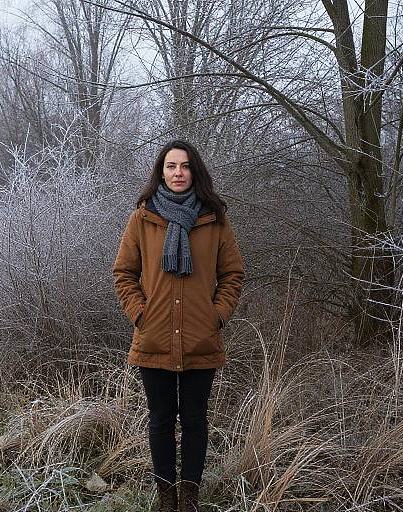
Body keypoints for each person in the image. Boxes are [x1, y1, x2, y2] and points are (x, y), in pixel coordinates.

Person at [113, 140, 244, 512]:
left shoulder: (214, 219)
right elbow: (124, 273)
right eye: (170, 166)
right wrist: (141, 314)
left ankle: (189, 497)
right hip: (153, 336)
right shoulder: (143, 218)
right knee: (160, 422)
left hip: (201, 338)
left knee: (195, 421)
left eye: (184, 166)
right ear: (161, 172)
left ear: (194, 171)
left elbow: (233, 274)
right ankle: (165, 498)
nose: (177, 173)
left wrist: (216, 316)